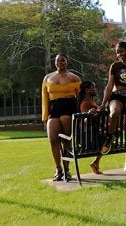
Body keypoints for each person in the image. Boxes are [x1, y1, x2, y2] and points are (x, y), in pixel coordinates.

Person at [42, 53, 81, 181]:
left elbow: (80, 98)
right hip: (54, 110)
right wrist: (45, 116)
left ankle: (67, 170)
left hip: (68, 109)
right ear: (55, 62)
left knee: (66, 140)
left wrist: (80, 115)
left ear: (67, 62)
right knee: (53, 139)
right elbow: (45, 99)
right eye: (58, 60)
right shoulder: (48, 78)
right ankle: (58, 169)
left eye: (63, 60)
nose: (60, 62)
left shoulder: (74, 78)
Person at [78, 80, 103, 175]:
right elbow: (84, 122)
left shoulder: (90, 101)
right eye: (94, 87)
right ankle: (96, 162)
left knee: (110, 136)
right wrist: (92, 113)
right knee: (110, 137)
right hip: (89, 140)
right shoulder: (85, 103)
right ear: (87, 90)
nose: (96, 89)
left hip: (94, 137)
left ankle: (96, 162)